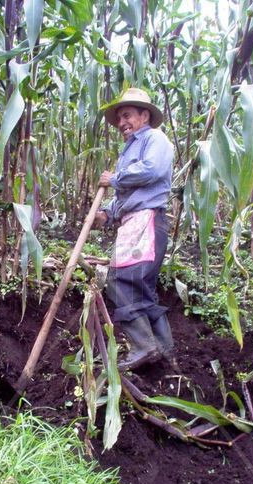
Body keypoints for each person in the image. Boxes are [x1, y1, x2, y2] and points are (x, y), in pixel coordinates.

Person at [94, 88, 175, 370]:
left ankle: (143, 345)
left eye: (127, 115)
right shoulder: (130, 149)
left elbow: (151, 171)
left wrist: (116, 178)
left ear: (145, 115)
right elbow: (127, 197)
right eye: (118, 118)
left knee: (119, 280)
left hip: (146, 221)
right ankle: (165, 352)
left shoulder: (155, 139)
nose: (121, 123)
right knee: (142, 287)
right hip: (135, 221)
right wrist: (107, 214)